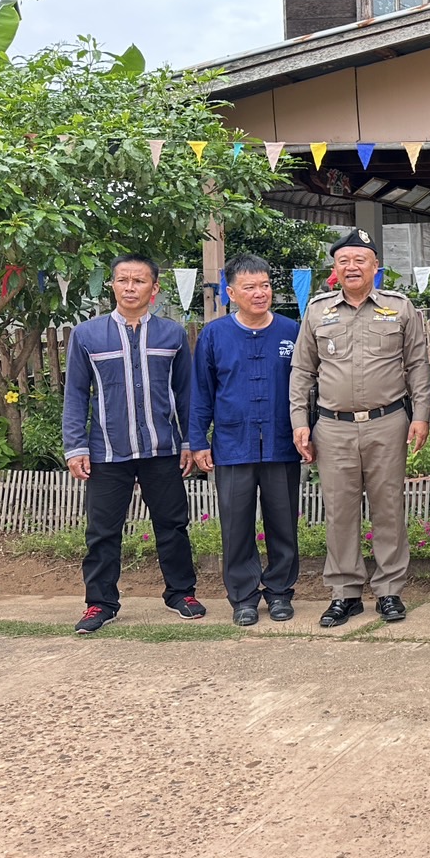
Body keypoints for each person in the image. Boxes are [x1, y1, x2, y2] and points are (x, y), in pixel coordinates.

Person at [289, 229, 430, 627]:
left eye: (360, 260)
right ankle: (345, 592)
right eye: (343, 261)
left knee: (389, 508)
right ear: (335, 269)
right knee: (339, 511)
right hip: (332, 427)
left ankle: (389, 590)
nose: (352, 267)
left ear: (375, 267)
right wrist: (300, 421)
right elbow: (302, 370)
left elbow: (418, 365)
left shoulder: (399, 307)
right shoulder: (317, 311)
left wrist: (421, 415)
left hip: (388, 422)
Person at [63, 254, 204, 633]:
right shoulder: (87, 335)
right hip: (107, 452)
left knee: (173, 525)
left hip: (162, 449)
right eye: (122, 280)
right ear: (112, 285)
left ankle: (181, 593)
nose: (130, 287)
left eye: (138, 281)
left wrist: (190, 440)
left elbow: (186, 392)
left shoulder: (172, 334)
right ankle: (100, 603)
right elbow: (75, 394)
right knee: (102, 532)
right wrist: (75, 446)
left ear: (154, 288)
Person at [190, 254, 302, 626]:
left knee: (283, 522)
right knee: (236, 525)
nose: (260, 293)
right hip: (232, 445)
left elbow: (307, 389)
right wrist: (198, 440)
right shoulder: (214, 335)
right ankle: (244, 596)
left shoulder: (291, 331)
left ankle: (281, 592)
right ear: (231, 292)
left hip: (281, 443)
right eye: (250, 287)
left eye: (266, 285)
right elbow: (201, 392)